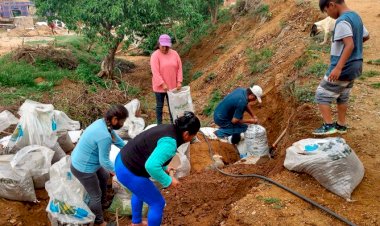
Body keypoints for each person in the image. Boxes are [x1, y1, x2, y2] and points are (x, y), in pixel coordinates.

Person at [115, 111, 200, 226]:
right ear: (186, 134)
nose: (193, 138)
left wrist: (164, 167)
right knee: (157, 203)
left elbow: (150, 150)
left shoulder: (168, 128)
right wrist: (169, 181)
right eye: (193, 135)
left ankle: (136, 223)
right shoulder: (170, 143)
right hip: (129, 171)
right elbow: (151, 166)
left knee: (139, 191)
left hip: (122, 160)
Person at [313, 0, 370, 135]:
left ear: (332, 5)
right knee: (343, 95)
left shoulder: (342, 21)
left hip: (344, 65)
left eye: (327, 11)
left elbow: (349, 45)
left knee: (321, 94)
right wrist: (355, 46)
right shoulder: (355, 16)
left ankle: (328, 125)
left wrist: (338, 67)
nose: (328, 14)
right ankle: (341, 125)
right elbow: (366, 36)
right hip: (355, 64)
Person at [70, 105, 128, 226]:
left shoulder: (103, 123)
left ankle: (103, 203)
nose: (122, 124)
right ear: (115, 119)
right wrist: (118, 172)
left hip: (85, 160)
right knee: (95, 195)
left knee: (104, 176)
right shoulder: (104, 136)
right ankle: (100, 221)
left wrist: (128, 148)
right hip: (83, 168)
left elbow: (116, 138)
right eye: (122, 121)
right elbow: (104, 161)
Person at [150, 34, 183, 124]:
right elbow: (155, 71)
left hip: (172, 87)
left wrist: (179, 81)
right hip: (159, 87)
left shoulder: (174, 54)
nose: (164, 48)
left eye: (166, 46)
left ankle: (174, 124)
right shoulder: (155, 55)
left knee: (172, 106)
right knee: (159, 106)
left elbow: (179, 68)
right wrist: (162, 83)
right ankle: (159, 124)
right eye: (162, 46)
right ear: (159, 44)